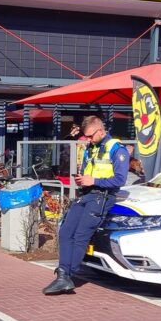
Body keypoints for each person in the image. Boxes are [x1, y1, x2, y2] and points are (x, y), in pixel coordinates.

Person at [43, 115, 129, 295]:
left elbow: (120, 179)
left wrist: (94, 180)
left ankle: (66, 276)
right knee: (65, 231)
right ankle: (63, 274)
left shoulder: (116, 149)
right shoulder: (92, 148)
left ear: (100, 130)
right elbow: (89, 170)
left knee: (81, 235)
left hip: (101, 197)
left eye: (90, 136)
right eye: (86, 136)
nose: (87, 139)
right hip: (86, 194)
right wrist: (83, 180)